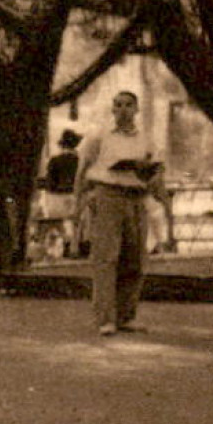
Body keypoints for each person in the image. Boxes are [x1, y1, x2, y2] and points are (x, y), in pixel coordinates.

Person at [76, 90, 159, 336]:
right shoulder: (99, 136)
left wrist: (151, 178)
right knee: (106, 257)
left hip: (136, 196)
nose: (123, 110)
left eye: (128, 105)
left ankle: (126, 316)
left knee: (135, 258)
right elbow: (82, 170)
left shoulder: (145, 138)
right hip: (108, 195)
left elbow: (155, 171)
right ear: (112, 109)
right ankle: (105, 319)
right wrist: (77, 202)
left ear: (136, 109)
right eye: (118, 105)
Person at [40, 129, 82, 258]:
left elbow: (49, 182)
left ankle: (59, 249)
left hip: (56, 196)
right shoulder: (79, 160)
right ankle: (74, 248)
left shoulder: (55, 160)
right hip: (74, 195)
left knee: (57, 224)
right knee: (75, 223)